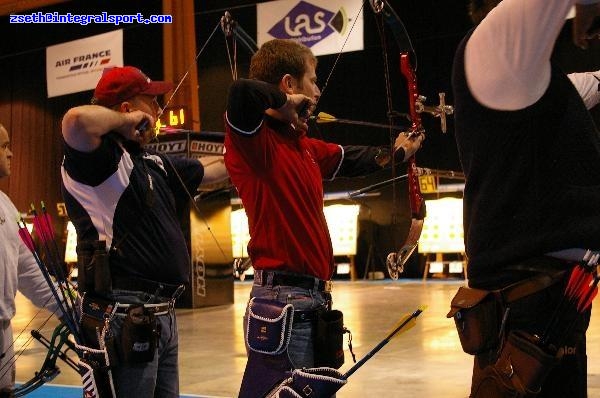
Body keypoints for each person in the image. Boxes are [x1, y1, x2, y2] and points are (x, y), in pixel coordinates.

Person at [224, 38, 424, 397]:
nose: (317, 91)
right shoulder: (255, 144)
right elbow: (241, 93)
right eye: (312, 81)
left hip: (312, 302)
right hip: (284, 304)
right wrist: (286, 104)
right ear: (289, 84)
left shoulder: (304, 146)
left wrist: (397, 152)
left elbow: (354, 157)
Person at [451, 0, 600, 397]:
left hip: (551, 302)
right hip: (527, 306)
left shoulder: (534, 82)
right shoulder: (493, 45)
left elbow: (594, 83)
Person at [60, 66, 228, 398]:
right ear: (128, 109)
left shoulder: (153, 161)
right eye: (152, 102)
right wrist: (127, 122)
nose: (159, 111)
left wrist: (251, 142)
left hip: (161, 314)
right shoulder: (100, 160)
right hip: (122, 313)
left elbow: (216, 171)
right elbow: (75, 122)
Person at [0, 124, 63, 397]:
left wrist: (73, 304)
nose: (11, 153)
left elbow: (30, 273)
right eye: (4, 146)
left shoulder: (6, 205)